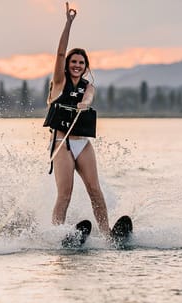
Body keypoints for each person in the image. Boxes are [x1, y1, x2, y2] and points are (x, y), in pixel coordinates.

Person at [43, 2, 110, 236]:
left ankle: (107, 233)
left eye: (81, 63)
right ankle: (57, 235)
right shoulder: (59, 83)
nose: (77, 65)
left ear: (85, 67)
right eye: (73, 62)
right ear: (68, 64)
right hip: (62, 144)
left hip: (83, 144)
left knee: (95, 190)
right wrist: (68, 23)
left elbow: (90, 96)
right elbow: (61, 52)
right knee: (65, 194)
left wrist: (85, 103)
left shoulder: (87, 86)